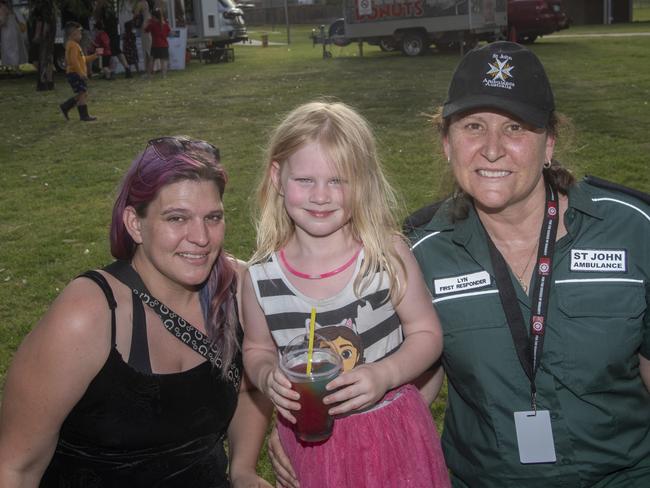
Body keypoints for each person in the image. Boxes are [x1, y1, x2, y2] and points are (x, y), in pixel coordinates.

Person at [403, 41, 650, 487]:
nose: (492, 149)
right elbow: (409, 384)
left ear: (549, 143)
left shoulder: (633, 230)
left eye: (515, 127)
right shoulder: (418, 253)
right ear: (446, 142)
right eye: (473, 126)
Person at [0, 136, 273, 488]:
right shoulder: (89, 315)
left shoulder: (237, 287)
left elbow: (250, 385)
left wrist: (243, 469)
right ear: (134, 223)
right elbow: (15, 467)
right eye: (177, 218)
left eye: (213, 217)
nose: (201, 237)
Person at [242, 101, 450, 487]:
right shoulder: (259, 279)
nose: (321, 195)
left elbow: (428, 334)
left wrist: (385, 373)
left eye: (338, 180)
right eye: (305, 180)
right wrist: (267, 374)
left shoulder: (385, 256)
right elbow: (256, 349)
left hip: (394, 438)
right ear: (277, 177)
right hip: (312, 444)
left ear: (363, 183)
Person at [59, 21, 100, 122]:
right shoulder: (72, 45)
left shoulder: (74, 45)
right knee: (82, 93)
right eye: (79, 33)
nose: (81, 35)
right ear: (73, 35)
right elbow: (73, 61)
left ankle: (65, 106)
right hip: (75, 73)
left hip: (75, 73)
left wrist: (94, 56)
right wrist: (80, 72)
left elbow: (82, 59)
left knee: (82, 93)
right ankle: (84, 115)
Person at [0, 0, 28, 74]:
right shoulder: (10, 9)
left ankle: (15, 69)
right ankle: (15, 68)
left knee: (10, 49)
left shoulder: (2, 8)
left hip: (7, 31)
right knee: (14, 48)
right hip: (14, 30)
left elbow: (3, 21)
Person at [145, 8, 171, 77]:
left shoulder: (152, 24)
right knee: (164, 61)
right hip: (164, 45)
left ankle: (149, 75)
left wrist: (147, 22)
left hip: (155, 45)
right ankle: (164, 75)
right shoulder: (165, 24)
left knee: (151, 60)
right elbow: (169, 32)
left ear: (153, 16)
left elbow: (145, 30)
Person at [132, 0, 152, 77]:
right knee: (149, 48)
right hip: (147, 24)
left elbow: (135, 14)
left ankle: (148, 72)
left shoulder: (140, 3)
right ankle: (151, 69)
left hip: (144, 27)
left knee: (146, 50)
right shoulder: (146, 2)